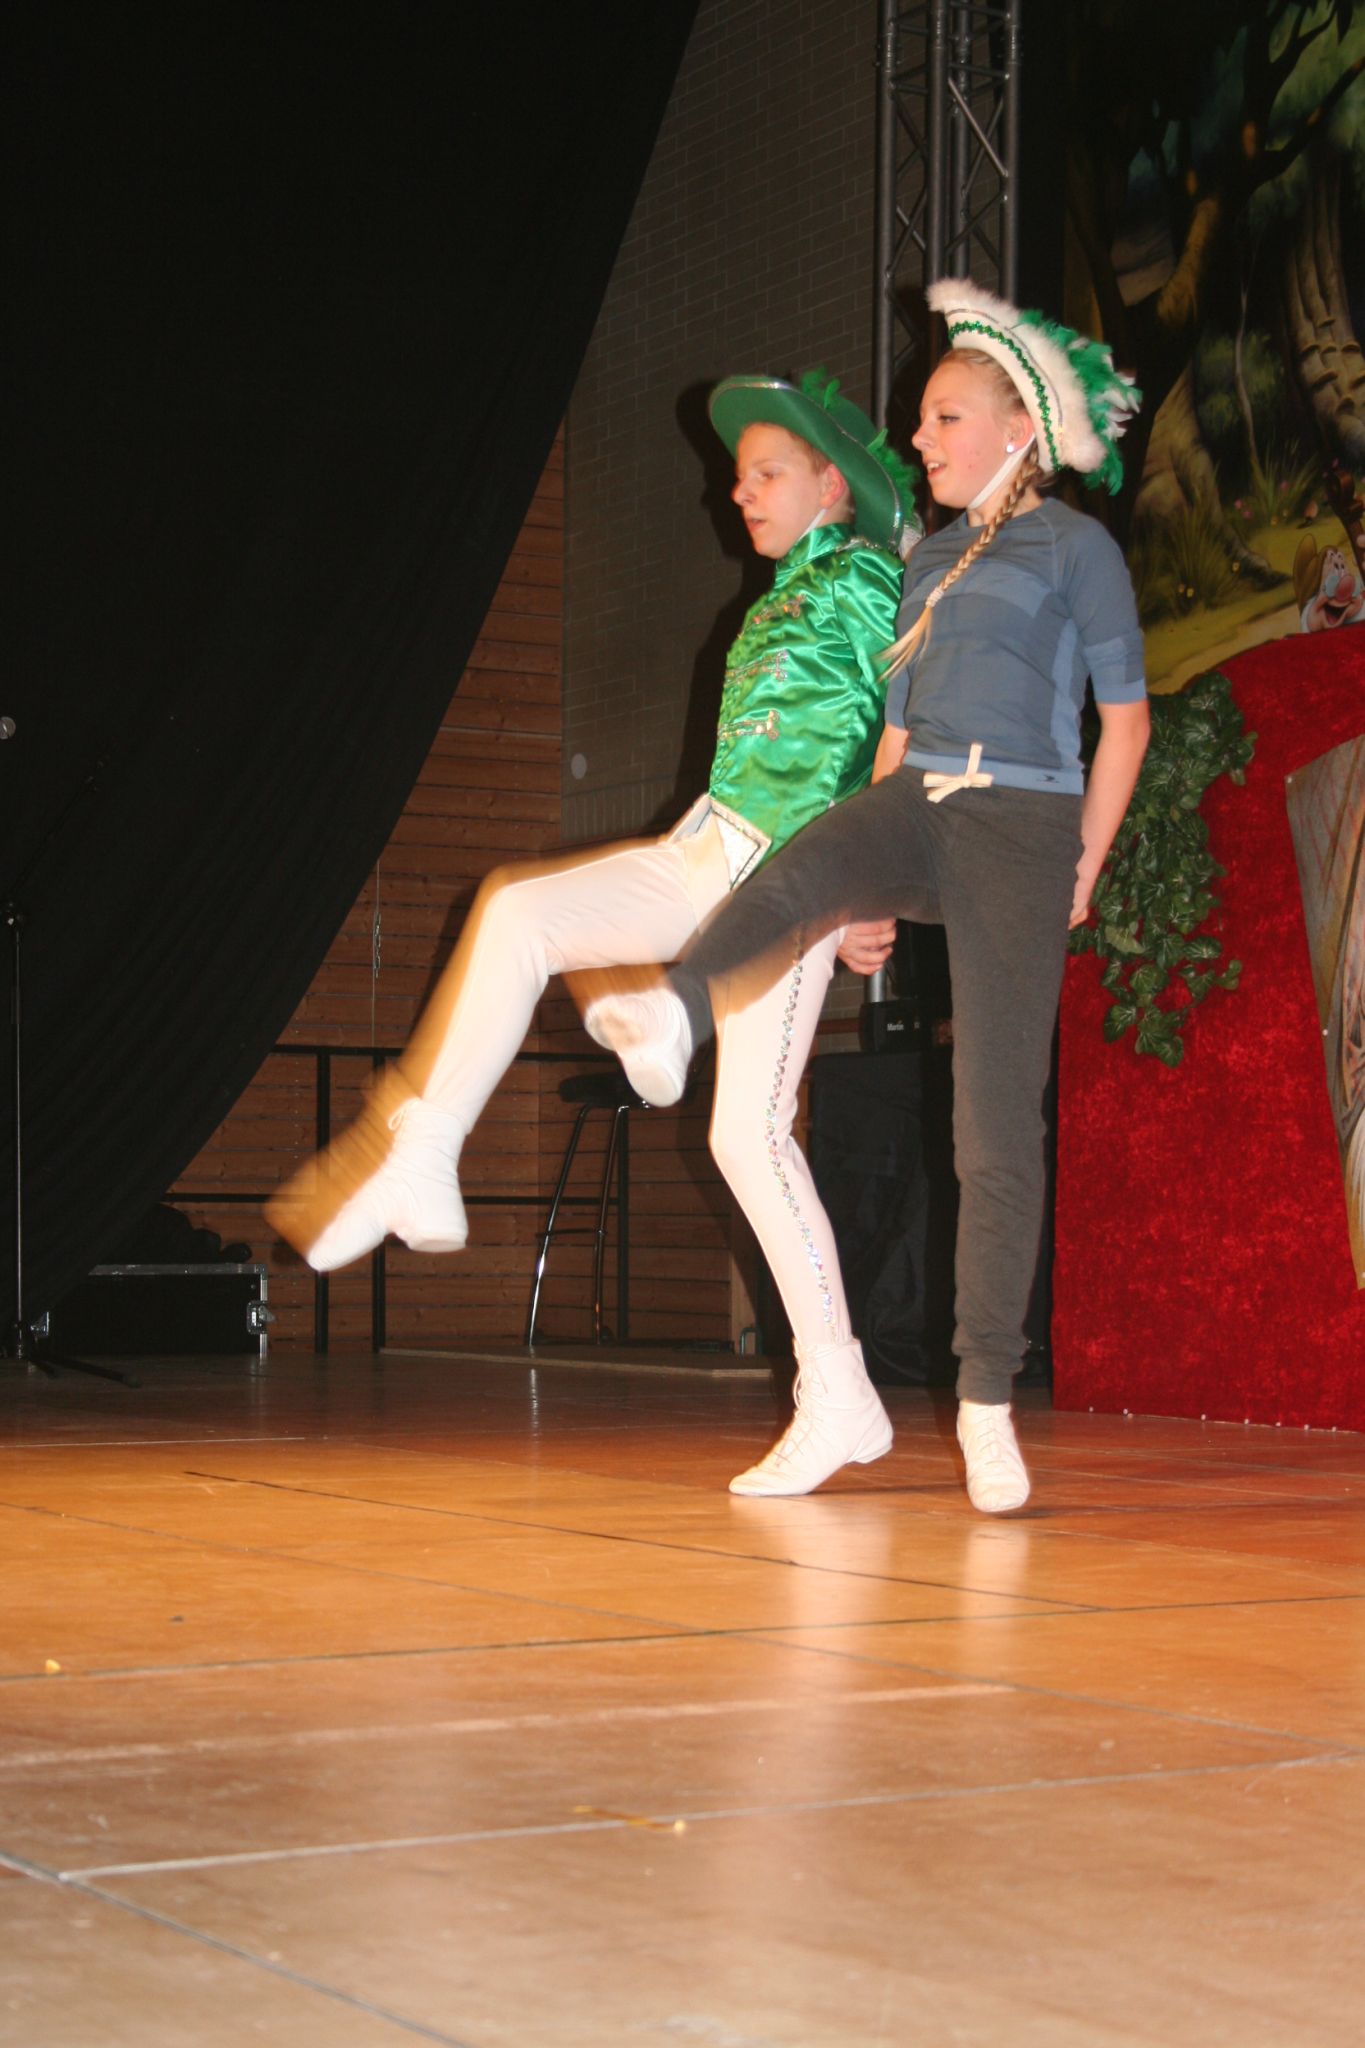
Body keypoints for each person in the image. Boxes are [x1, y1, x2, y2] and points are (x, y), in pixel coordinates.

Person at [266, 370, 921, 1496]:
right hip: (707, 845)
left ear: (832, 485)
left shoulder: (866, 577)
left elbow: (901, 733)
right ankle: (426, 1145)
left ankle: (838, 1390)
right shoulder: (771, 603)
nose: (738, 492)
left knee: (748, 1138)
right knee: (518, 910)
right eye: (738, 476)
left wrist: (872, 888)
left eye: (766, 473)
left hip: (790, 878)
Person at [589, 280, 1152, 1514]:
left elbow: (1124, 719)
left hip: (1021, 827)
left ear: (1018, 428)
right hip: (918, 803)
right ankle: (677, 1009)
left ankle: (986, 1403)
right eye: (922, 417)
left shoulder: (1077, 551)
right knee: (801, 860)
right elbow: (893, 739)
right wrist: (858, 884)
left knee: (991, 1127)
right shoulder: (930, 561)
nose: (920, 436)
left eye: (946, 416)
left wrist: (1088, 859)